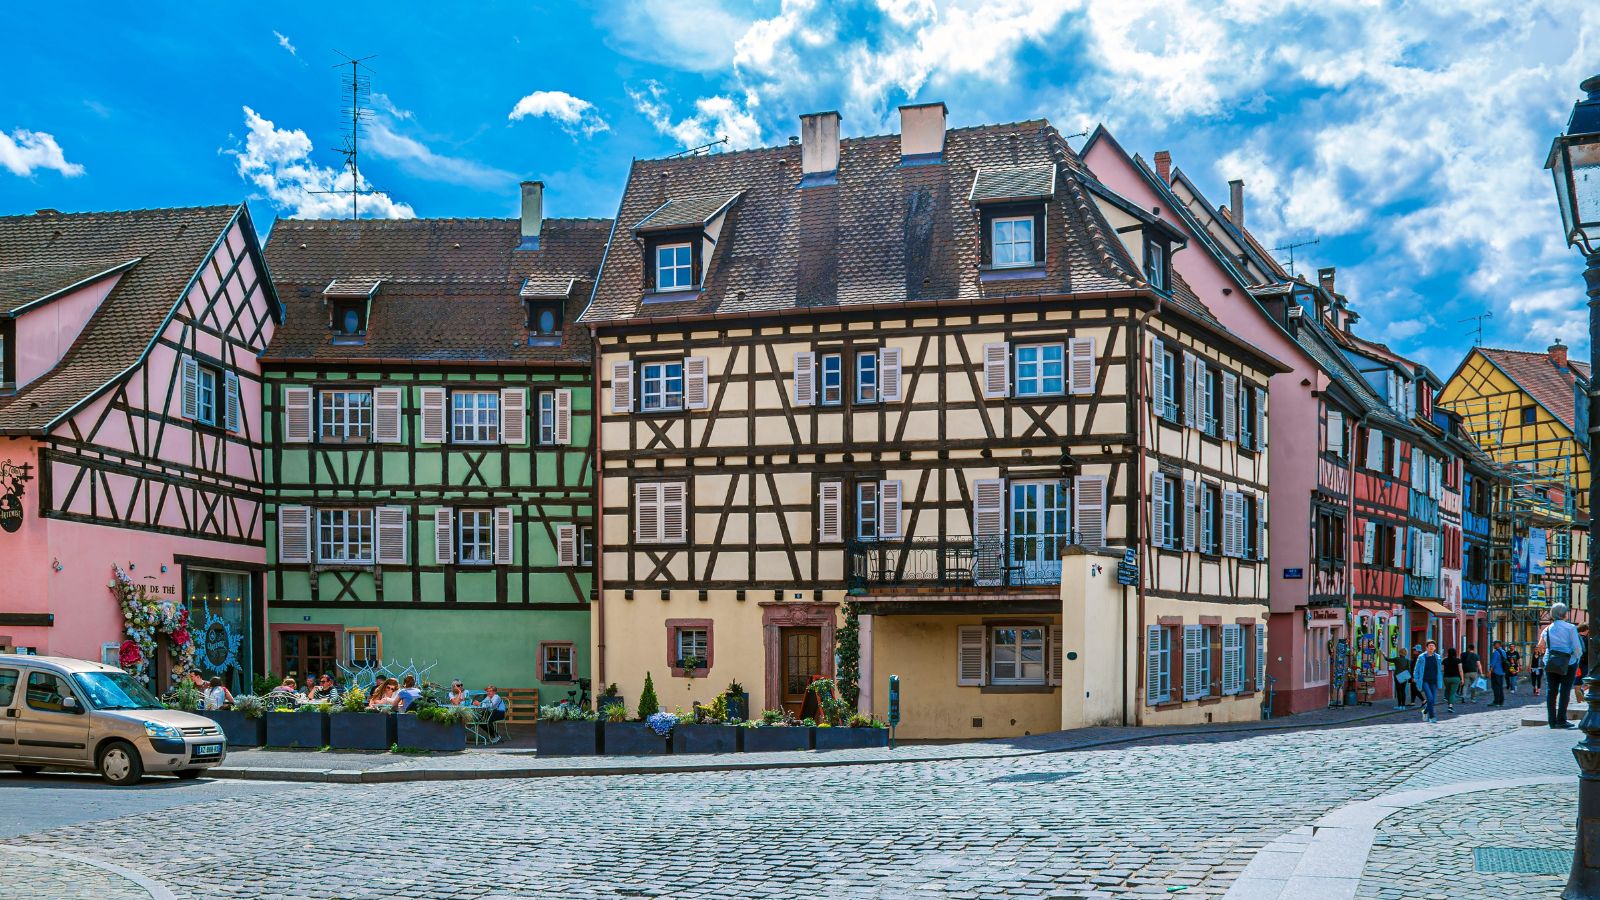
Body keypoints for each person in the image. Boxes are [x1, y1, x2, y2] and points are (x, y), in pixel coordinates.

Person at [1540, 603, 1584, 730]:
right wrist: (1577, 657)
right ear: (1564, 614)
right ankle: (1561, 719)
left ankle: (1552, 721)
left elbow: (1543, 645)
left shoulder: (1547, 629)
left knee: (1551, 692)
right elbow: (1576, 647)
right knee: (1565, 691)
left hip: (1551, 661)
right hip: (1568, 662)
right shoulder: (1570, 628)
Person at [1412, 640, 1445, 724]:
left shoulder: (1437, 657)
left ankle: (1425, 711)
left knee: (1433, 701)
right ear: (1426, 647)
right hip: (1424, 681)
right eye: (1429, 646)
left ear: (1435, 648)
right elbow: (1416, 669)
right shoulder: (1422, 657)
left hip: (1433, 681)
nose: (1431, 647)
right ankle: (1432, 717)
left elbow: (1439, 670)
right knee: (1429, 698)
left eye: (1432, 646)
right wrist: (1416, 678)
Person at [1390, 646, 1412, 710]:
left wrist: (1383, 655)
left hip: (1398, 677)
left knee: (1399, 691)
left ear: (1400, 653)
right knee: (1403, 691)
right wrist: (1408, 677)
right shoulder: (1407, 660)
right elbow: (1409, 669)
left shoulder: (1397, 659)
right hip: (1404, 677)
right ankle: (1403, 706)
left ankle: (1399, 706)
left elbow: (1388, 659)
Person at [1442, 647, 1463, 712]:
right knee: (1452, 693)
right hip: (1456, 678)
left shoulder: (1444, 660)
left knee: (1448, 691)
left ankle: (1447, 700)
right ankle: (1450, 706)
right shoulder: (1458, 660)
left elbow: (1442, 669)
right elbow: (1460, 670)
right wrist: (1462, 679)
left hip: (1446, 678)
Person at [1489, 641, 1509, 706]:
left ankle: (1496, 702)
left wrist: (1489, 672)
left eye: (1494, 644)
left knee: (1495, 688)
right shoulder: (1503, 652)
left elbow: (1493, 664)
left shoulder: (1496, 653)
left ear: (1498, 645)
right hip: (1502, 672)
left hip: (1496, 672)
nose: (1493, 646)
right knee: (1500, 687)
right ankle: (1501, 702)